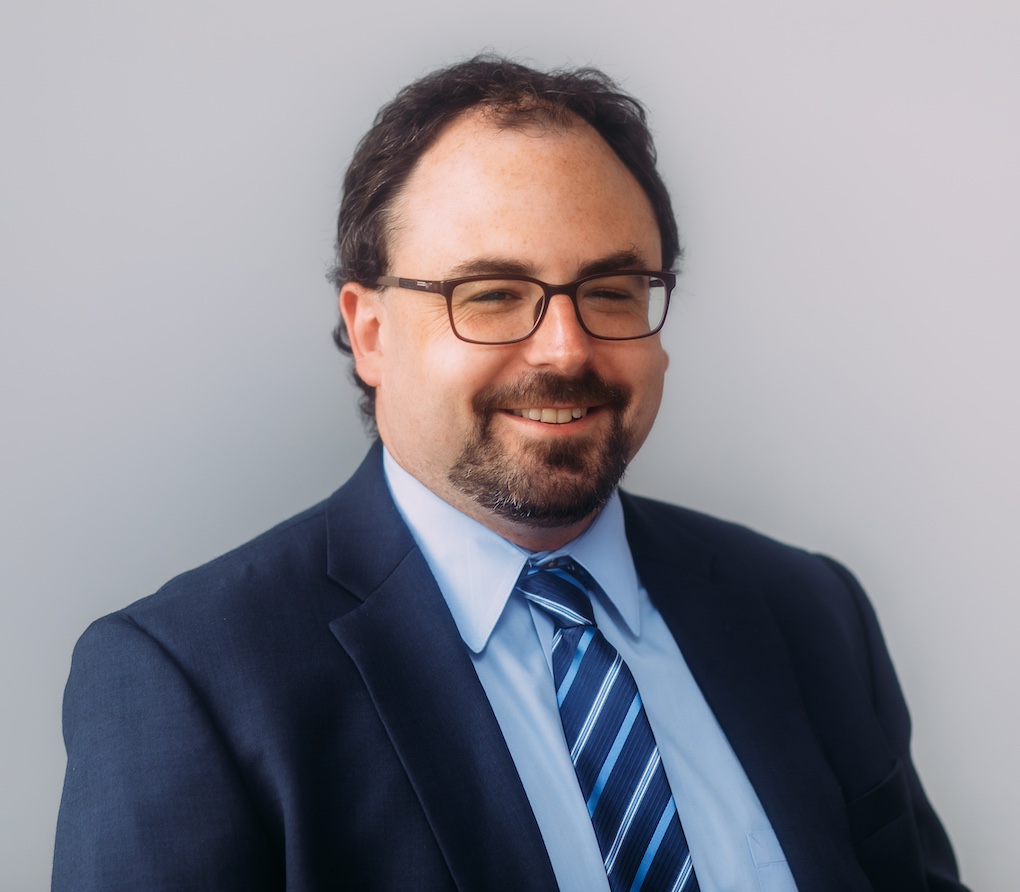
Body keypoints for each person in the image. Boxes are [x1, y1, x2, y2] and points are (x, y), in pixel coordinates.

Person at [52, 56, 967, 892]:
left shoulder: (808, 611)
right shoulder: (191, 682)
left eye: (612, 290)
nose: (565, 349)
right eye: (490, 295)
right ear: (369, 331)